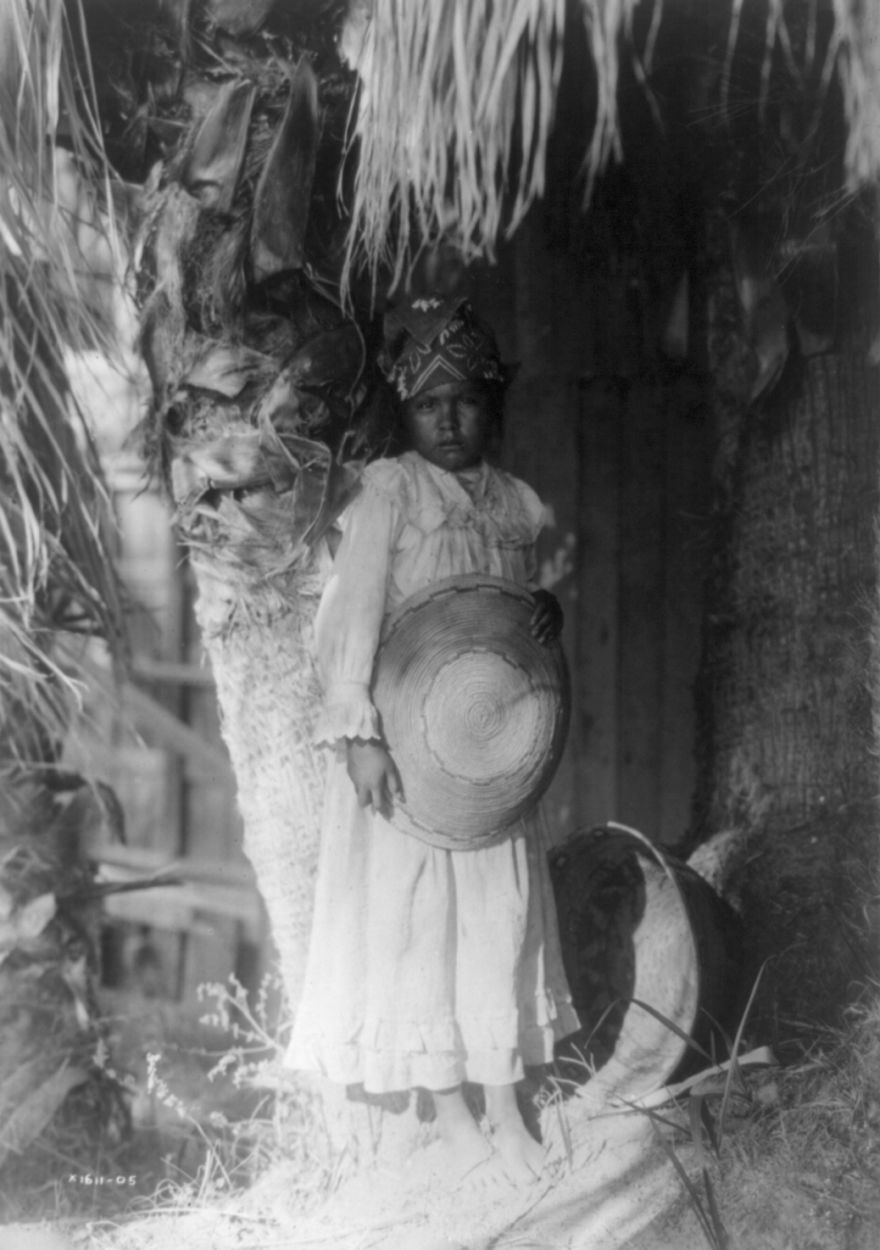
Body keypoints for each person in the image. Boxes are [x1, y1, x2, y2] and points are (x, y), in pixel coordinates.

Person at [286, 295, 579, 1185]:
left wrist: (544, 611)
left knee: (501, 921)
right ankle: (449, 1108)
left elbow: (502, 617)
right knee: (420, 927)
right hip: (408, 761)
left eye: (467, 401)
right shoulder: (389, 494)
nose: (449, 421)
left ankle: (503, 1099)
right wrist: (356, 733)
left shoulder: (512, 506)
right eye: (428, 404)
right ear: (404, 414)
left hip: (487, 759)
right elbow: (351, 618)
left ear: (493, 404)